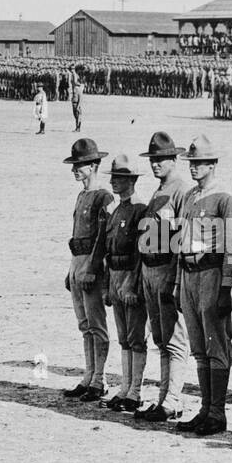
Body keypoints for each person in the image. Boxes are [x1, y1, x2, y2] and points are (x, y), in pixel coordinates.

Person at [174, 134, 232, 436]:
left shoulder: (226, 200)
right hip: (188, 275)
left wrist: (226, 287)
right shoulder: (188, 197)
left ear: (213, 165)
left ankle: (217, 412)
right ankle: (204, 408)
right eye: (191, 163)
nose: (193, 168)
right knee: (199, 347)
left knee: (217, 345)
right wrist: (178, 283)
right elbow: (180, 241)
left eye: (200, 163)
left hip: (212, 274)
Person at [135, 132, 191, 423]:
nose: (155, 164)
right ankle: (163, 399)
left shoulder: (181, 192)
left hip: (167, 270)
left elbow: (182, 240)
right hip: (149, 270)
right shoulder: (158, 192)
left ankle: (173, 400)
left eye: (161, 159)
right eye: (152, 159)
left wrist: (176, 278)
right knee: (160, 338)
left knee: (175, 339)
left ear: (174, 159)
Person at [61, 138, 113, 402]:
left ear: (93, 165)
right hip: (77, 262)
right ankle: (88, 376)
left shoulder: (104, 196)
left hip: (91, 266)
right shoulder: (82, 195)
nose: (75, 170)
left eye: (79, 165)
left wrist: (94, 268)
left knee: (96, 325)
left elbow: (102, 238)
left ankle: (99, 380)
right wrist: (71, 270)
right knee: (84, 325)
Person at [101, 155, 149, 413]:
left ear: (131, 180)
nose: (112, 182)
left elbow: (141, 251)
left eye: (118, 178)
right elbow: (109, 250)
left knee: (136, 336)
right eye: (112, 177)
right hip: (117, 274)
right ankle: (124, 388)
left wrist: (132, 283)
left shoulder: (140, 209)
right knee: (124, 338)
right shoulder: (117, 209)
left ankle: (136, 391)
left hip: (132, 276)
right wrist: (109, 284)